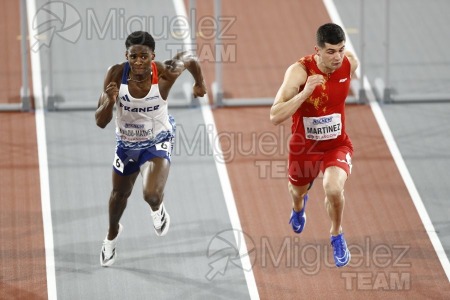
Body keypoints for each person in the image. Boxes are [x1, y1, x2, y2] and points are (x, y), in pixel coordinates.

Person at [95, 31, 206, 267]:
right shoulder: (115, 74)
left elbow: (188, 57)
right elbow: (100, 121)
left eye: (143, 57)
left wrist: (200, 82)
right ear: (126, 55)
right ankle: (112, 236)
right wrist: (109, 102)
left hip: (157, 141)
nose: (138, 62)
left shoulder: (165, 73)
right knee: (119, 196)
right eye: (133, 56)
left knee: (151, 194)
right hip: (126, 146)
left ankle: (158, 209)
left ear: (152, 56)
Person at [270, 23, 358, 268]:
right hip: (304, 148)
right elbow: (275, 116)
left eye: (341, 49)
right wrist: (304, 93)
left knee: (332, 188)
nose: (337, 57)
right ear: (317, 51)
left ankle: (337, 234)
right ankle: (299, 208)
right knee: (297, 193)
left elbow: (348, 71)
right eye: (330, 51)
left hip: (336, 145)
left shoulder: (349, 63)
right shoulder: (299, 72)